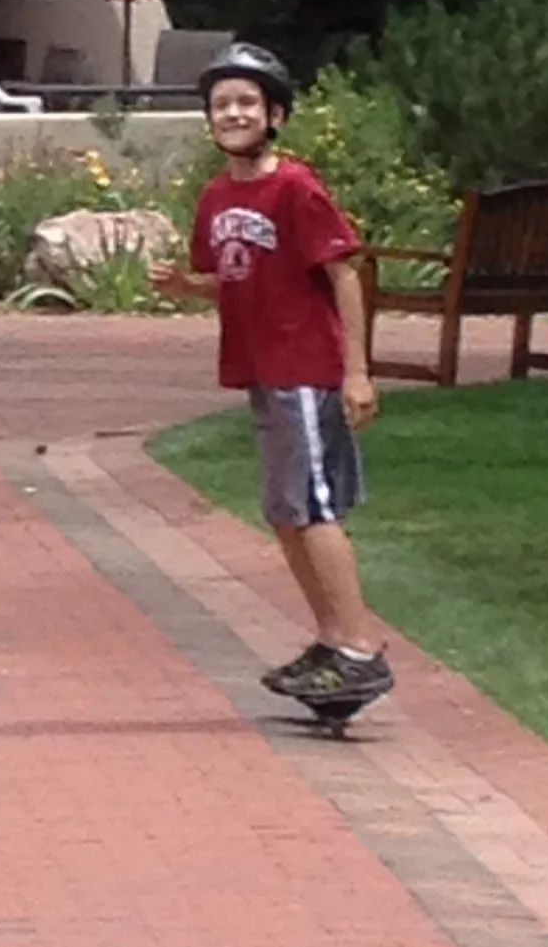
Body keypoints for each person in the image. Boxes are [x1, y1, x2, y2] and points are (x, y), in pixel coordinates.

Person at [149, 42, 393, 709]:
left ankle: (359, 647)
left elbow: (343, 273)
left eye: (246, 102)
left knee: (313, 508)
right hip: (262, 370)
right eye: (221, 103)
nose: (232, 112)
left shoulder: (296, 186)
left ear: (275, 113)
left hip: (306, 369)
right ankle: (333, 635)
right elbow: (234, 278)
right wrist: (186, 285)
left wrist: (358, 372)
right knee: (284, 511)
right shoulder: (217, 195)